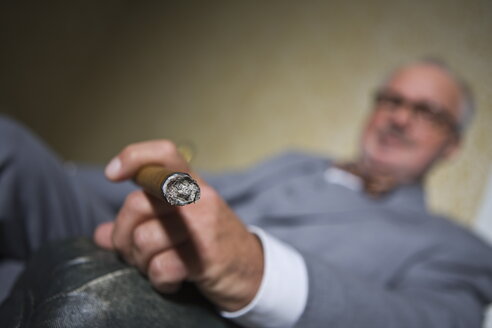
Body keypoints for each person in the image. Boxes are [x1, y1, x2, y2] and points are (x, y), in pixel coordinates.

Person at [1, 58, 491, 328]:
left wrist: (255, 271)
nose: (399, 117)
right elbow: (197, 191)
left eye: (426, 112)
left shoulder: (456, 249)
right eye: (392, 100)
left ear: (452, 145)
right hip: (124, 242)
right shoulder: (297, 162)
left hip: (201, 314)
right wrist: (61, 176)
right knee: (12, 149)